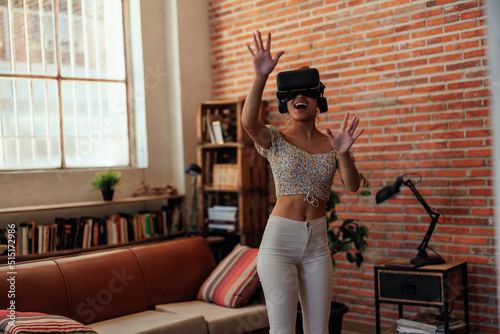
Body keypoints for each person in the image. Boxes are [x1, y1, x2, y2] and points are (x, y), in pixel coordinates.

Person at [241, 30, 364, 334]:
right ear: (286, 102)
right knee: (282, 330)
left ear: (317, 99)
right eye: (293, 94)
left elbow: (353, 185)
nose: (300, 97)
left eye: (307, 93)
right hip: (280, 242)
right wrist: (260, 76)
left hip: (317, 244)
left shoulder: (333, 143)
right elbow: (248, 122)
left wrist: (344, 153)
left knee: (318, 330)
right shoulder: (276, 139)